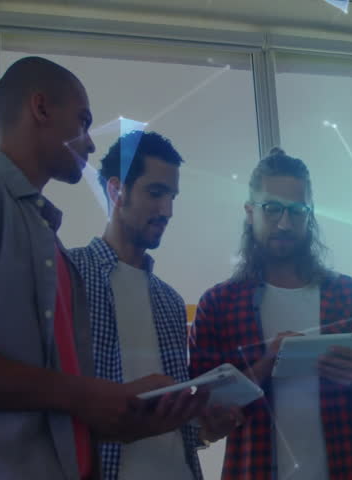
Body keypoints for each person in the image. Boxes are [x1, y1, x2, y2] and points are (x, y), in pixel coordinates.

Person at [0, 56, 206, 480]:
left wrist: (120, 422)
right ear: (40, 108)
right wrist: (83, 395)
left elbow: (55, 409)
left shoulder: (48, 243)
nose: (90, 143)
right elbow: (67, 394)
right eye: (84, 121)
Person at [189, 148, 352, 480]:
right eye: (272, 209)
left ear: (310, 215)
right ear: (249, 212)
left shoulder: (350, 295)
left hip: (351, 468)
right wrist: (266, 364)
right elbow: (203, 418)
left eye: (297, 211)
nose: (284, 223)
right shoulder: (219, 305)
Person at [70, 131, 242, 480]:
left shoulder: (170, 301)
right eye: (156, 193)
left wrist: (208, 427)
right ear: (116, 191)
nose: (168, 210)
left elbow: (178, 428)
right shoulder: (70, 275)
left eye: (173, 196)